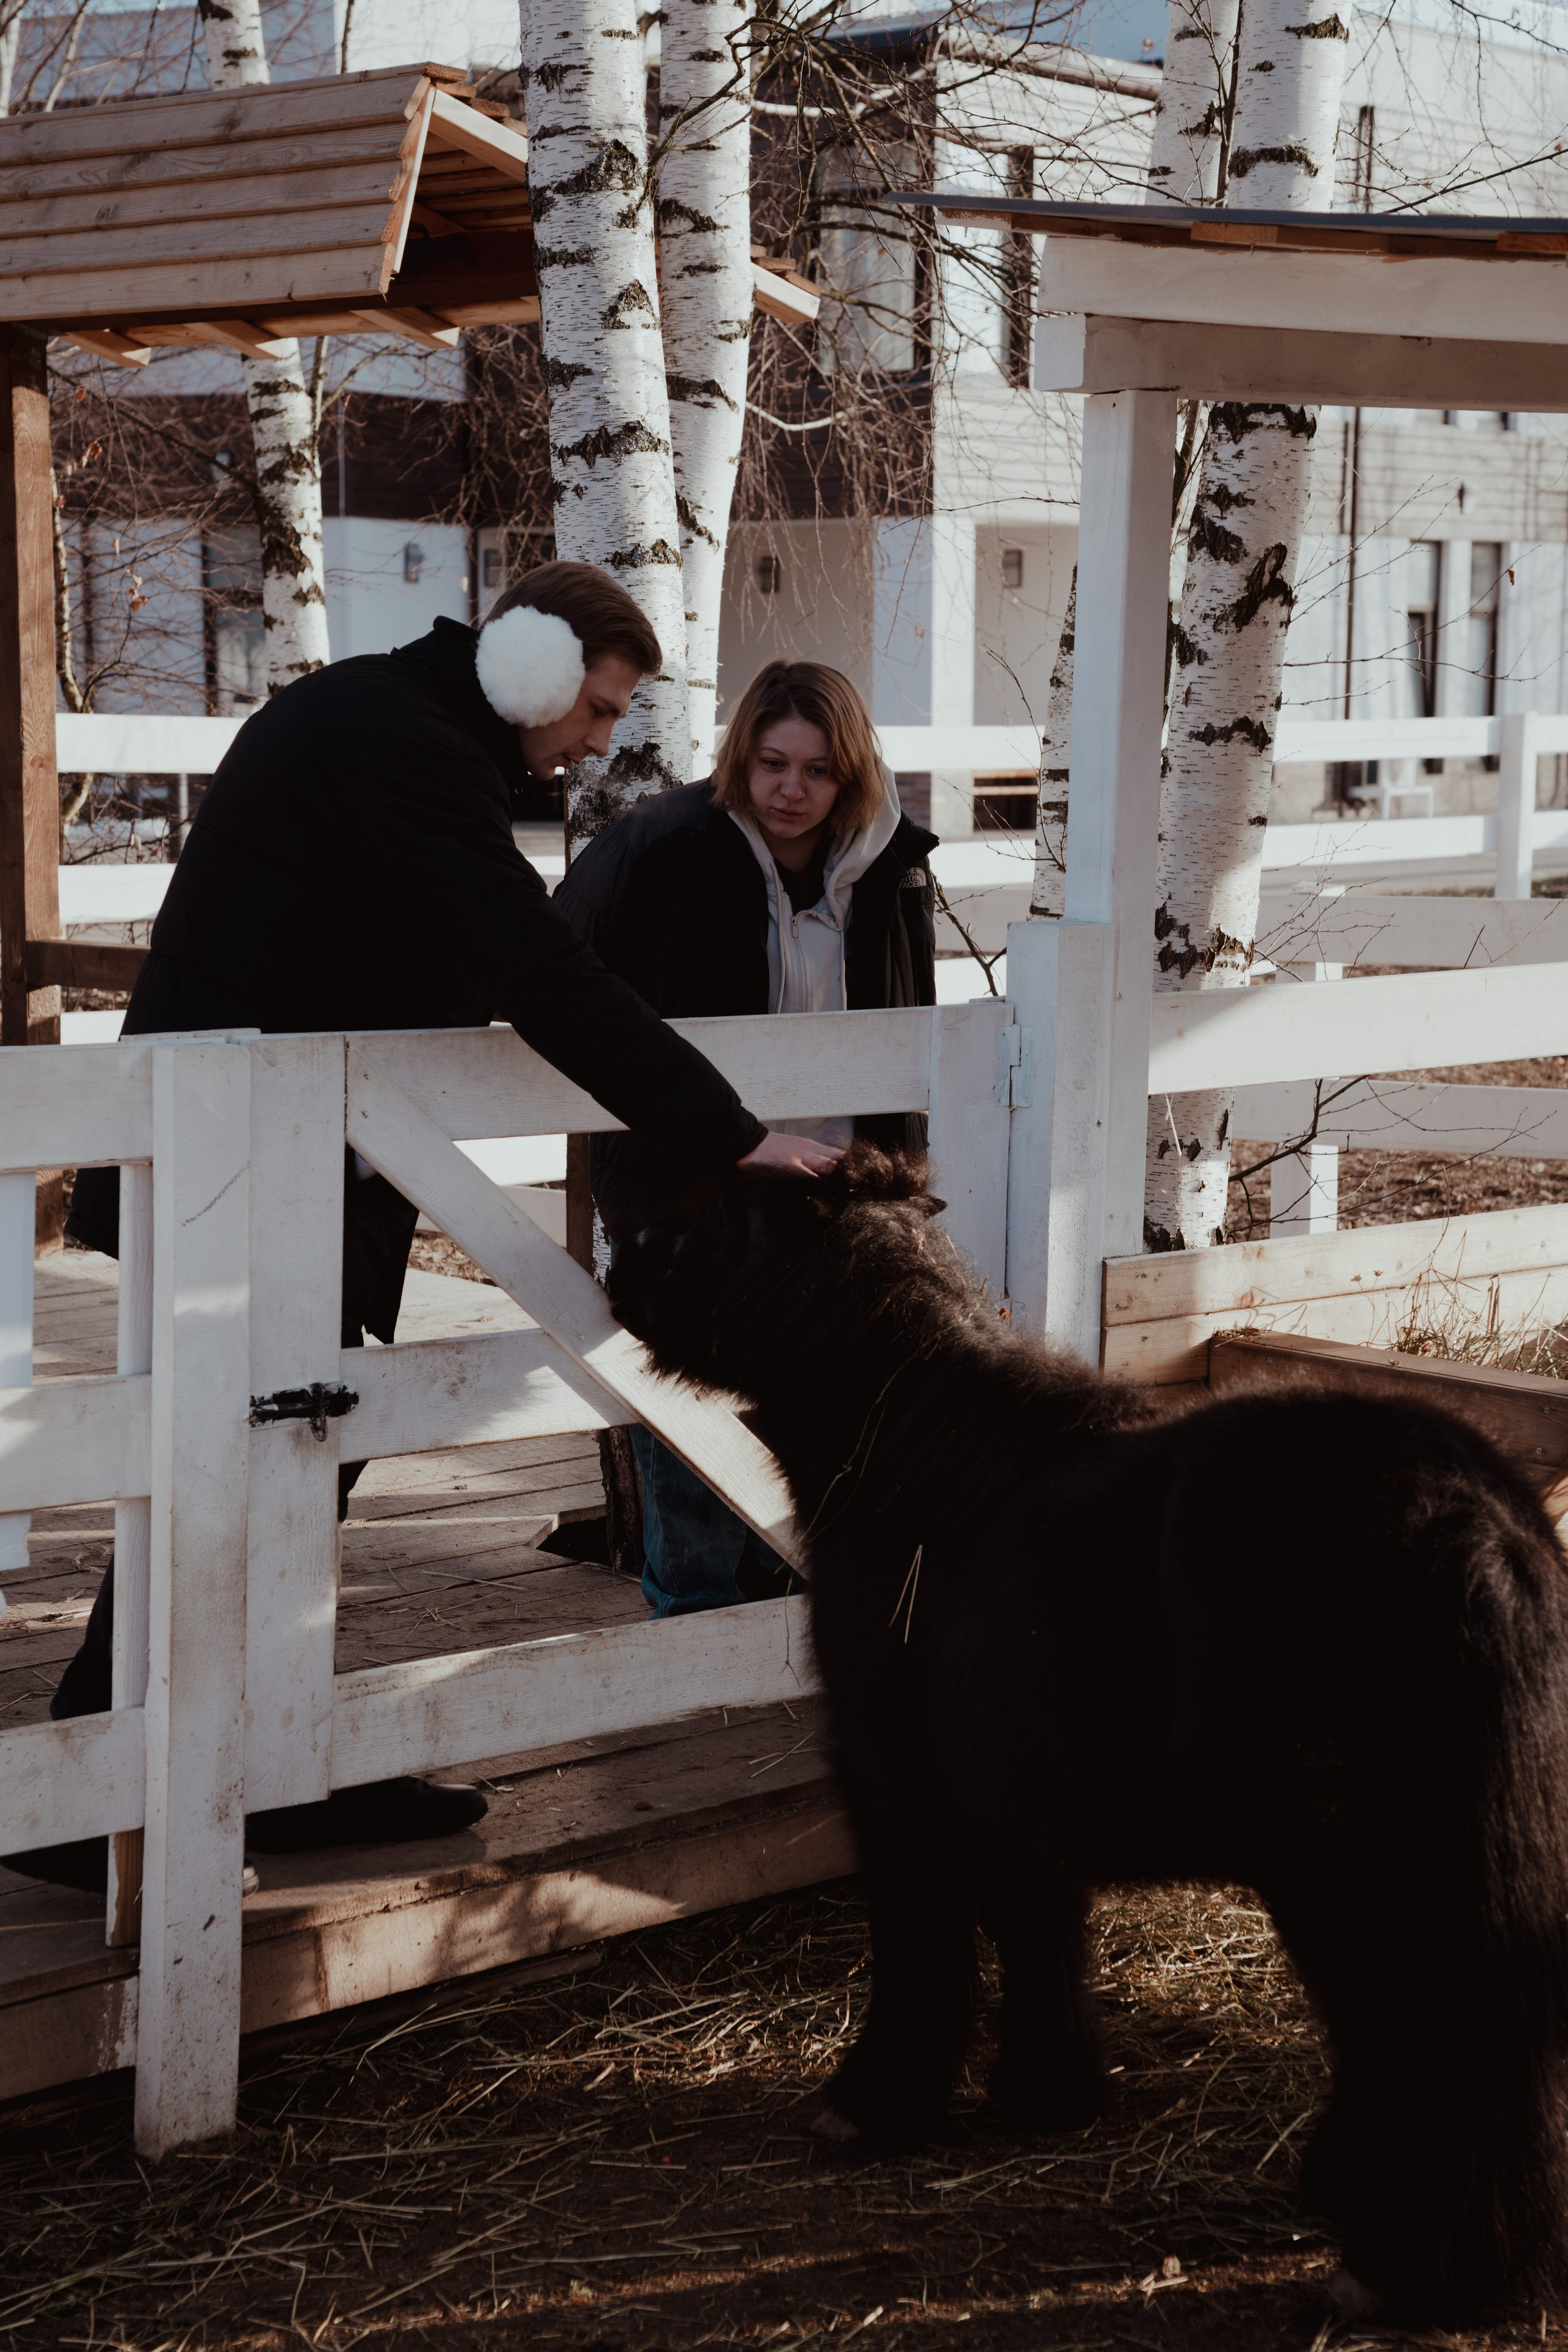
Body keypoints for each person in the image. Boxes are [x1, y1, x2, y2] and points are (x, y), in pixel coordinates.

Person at [21, 567, 839, 1887]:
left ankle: (229, 1755)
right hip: (253, 1167)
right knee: (249, 1461)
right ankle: (115, 1769)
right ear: (522, 667)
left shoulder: (389, 725)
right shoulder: (402, 749)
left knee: (285, 1457)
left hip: (284, 1159)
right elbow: (528, 966)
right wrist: (725, 1129)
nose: (590, 739)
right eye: (590, 706)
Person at [556, 658, 937, 1618]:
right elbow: (564, 984)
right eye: (774, 764)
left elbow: (915, 1018)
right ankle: (692, 1613)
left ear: (849, 776)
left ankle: (798, 1608)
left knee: (823, 1408)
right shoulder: (657, 848)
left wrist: (906, 1163)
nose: (792, 791)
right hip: (694, 1183)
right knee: (693, 1404)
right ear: (743, 757)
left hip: (837, 1183)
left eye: (818, 771)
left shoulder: (892, 869)